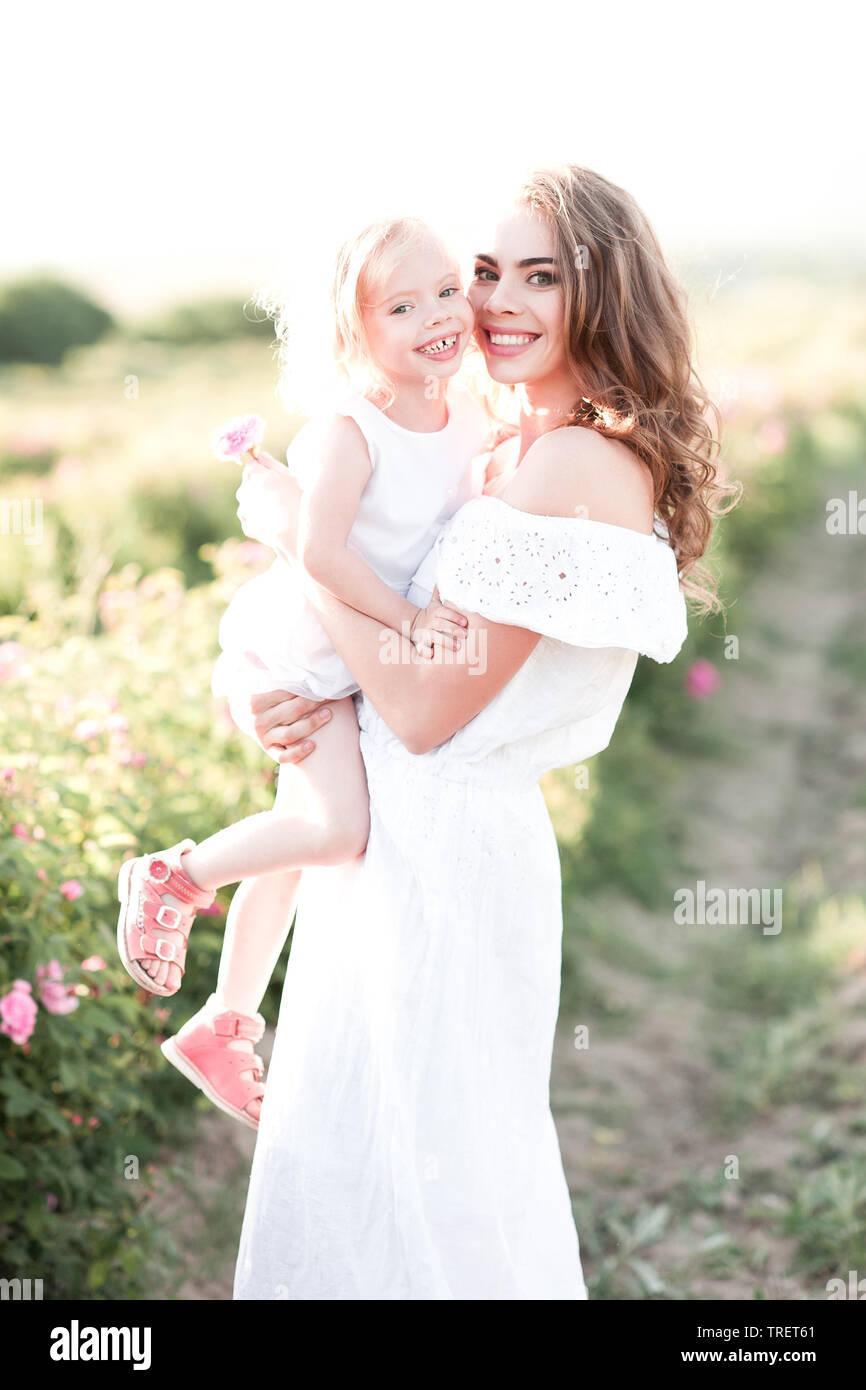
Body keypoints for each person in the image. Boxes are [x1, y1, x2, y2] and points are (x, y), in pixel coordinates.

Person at [231, 164, 737, 1298]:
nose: (497, 303)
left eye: (539, 277)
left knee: (431, 1186)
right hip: (406, 849)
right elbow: (403, 681)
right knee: (376, 1166)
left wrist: (297, 555)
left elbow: (420, 709)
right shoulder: (510, 444)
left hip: (440, 864)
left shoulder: (565, 465)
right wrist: (319, 699)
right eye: (484, 273)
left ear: (602, 295)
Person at [115, 217, 490, 1128]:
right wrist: (408, 622)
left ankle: (226, 1020)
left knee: (297, 834)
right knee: (334, 828)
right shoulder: (347, 430)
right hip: (309, 653)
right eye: (403, 306)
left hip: (354, 656)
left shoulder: (465, 412)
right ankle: (178, 874)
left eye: (449, 288)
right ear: (354, 332)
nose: (439, 314)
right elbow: (316, 550)